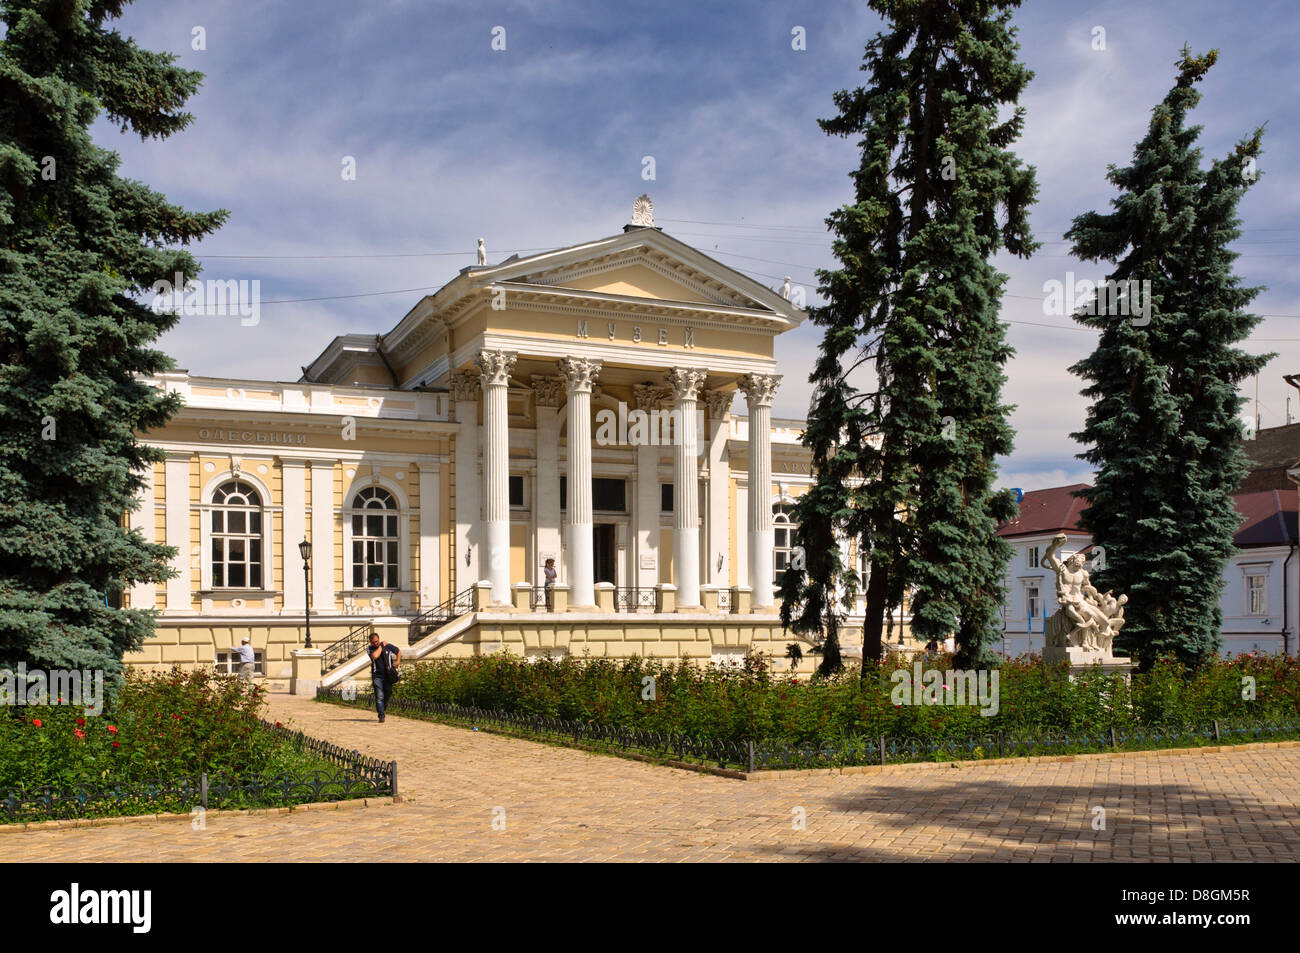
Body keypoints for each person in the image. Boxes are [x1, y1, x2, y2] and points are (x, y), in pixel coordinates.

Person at [367, 632, 400, 723]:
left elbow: (398, 651)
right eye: (373, 642)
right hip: (377, 676)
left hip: (388, 676)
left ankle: (382, 709)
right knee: (379, 696)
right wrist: (381, 646)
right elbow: (375, 656)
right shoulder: (370, 649)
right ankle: (381, 716)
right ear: (370, 642)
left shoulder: (388, 646)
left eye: (377, 641)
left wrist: (397, 661)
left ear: (379, 639)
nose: (375, 643)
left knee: (388, 694)